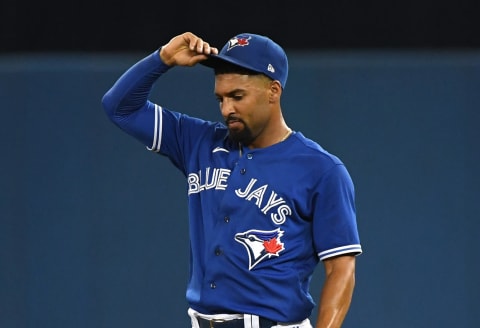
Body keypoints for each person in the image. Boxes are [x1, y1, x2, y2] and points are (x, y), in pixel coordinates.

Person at [102, 31, 362, 328]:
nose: (227, 109)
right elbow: (120, 108)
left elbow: (341, 268)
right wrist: (162, 58)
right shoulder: (197, 142)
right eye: (220, 98)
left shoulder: (322, 169)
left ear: (273, 91)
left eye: (237, 96)